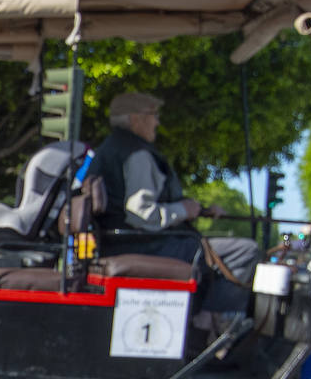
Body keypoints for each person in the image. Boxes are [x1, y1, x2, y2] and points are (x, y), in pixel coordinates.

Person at [93, 92, 260, 323]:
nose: (157, 122)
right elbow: (140, 215)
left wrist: (198, 209)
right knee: (245, 250)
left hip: (125, 241)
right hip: (144, 245)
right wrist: (184, 210)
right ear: (136, 119)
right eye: (153, 115)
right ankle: (213, 328)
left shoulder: (111, 148)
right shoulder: (137, 154)